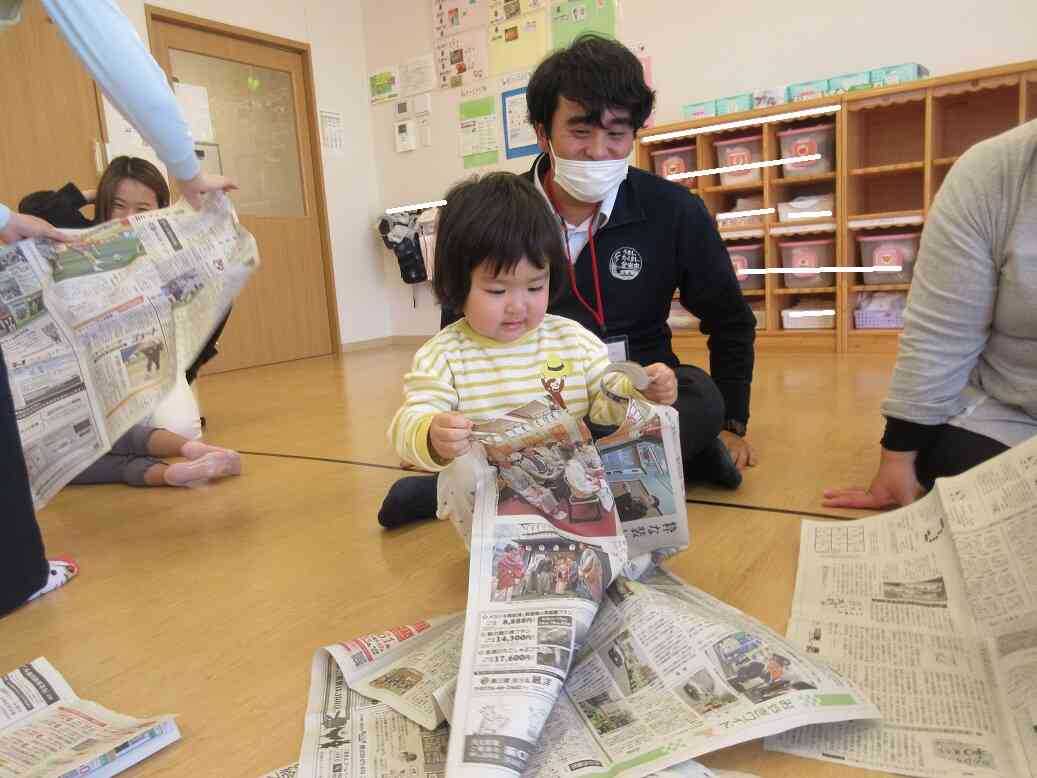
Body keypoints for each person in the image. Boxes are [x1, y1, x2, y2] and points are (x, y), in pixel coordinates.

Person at [380, 35, 757, 526]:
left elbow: (731, 320)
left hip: (622, 396)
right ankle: (666, 461)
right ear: (542, 132)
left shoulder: (675, 210)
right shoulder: (499, 212)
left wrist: (732, 423)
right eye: (580, 132)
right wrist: (439, 428)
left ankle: (511, 487)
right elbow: (460, 323)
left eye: (617, 134)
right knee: (510, 438)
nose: (599, 151)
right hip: (521, 409)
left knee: (697, 397)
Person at [0, 0, 236, 617]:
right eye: (118, 206)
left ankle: (174, 454)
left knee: (165, 424)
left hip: (142, 380)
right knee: (46, 439)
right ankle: (162, 468)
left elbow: (199, 342)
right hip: (73, 384)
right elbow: (109, 42)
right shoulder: (73, 235)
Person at [384, 172, 675, 544]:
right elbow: (409, 420)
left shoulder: (571, 338)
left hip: (569, 485)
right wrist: (430, 434)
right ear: (458, 285)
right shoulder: (443, 355)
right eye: (496, 290)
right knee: (460, 476)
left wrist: (636, 390)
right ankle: (493, 553)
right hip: (495, 500)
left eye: (536, 286)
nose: (517, 306)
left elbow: (605, 409)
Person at [824, 120, 1037, 510]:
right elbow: (942, 333)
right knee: (955, 471)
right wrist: (898, 455)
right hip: (1011, 405)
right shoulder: (993, 172)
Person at [19, 155, 233, 434]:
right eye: (119, 205)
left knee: (180, 431)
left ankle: (181, 380)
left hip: (150, 360)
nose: (129, 216)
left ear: (159, 210)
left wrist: (187, 367)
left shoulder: (168, 243)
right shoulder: (84, 231)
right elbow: (32, 206)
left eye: (142, 207)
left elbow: (214, 302)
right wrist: (95, 194)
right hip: (92, 363)